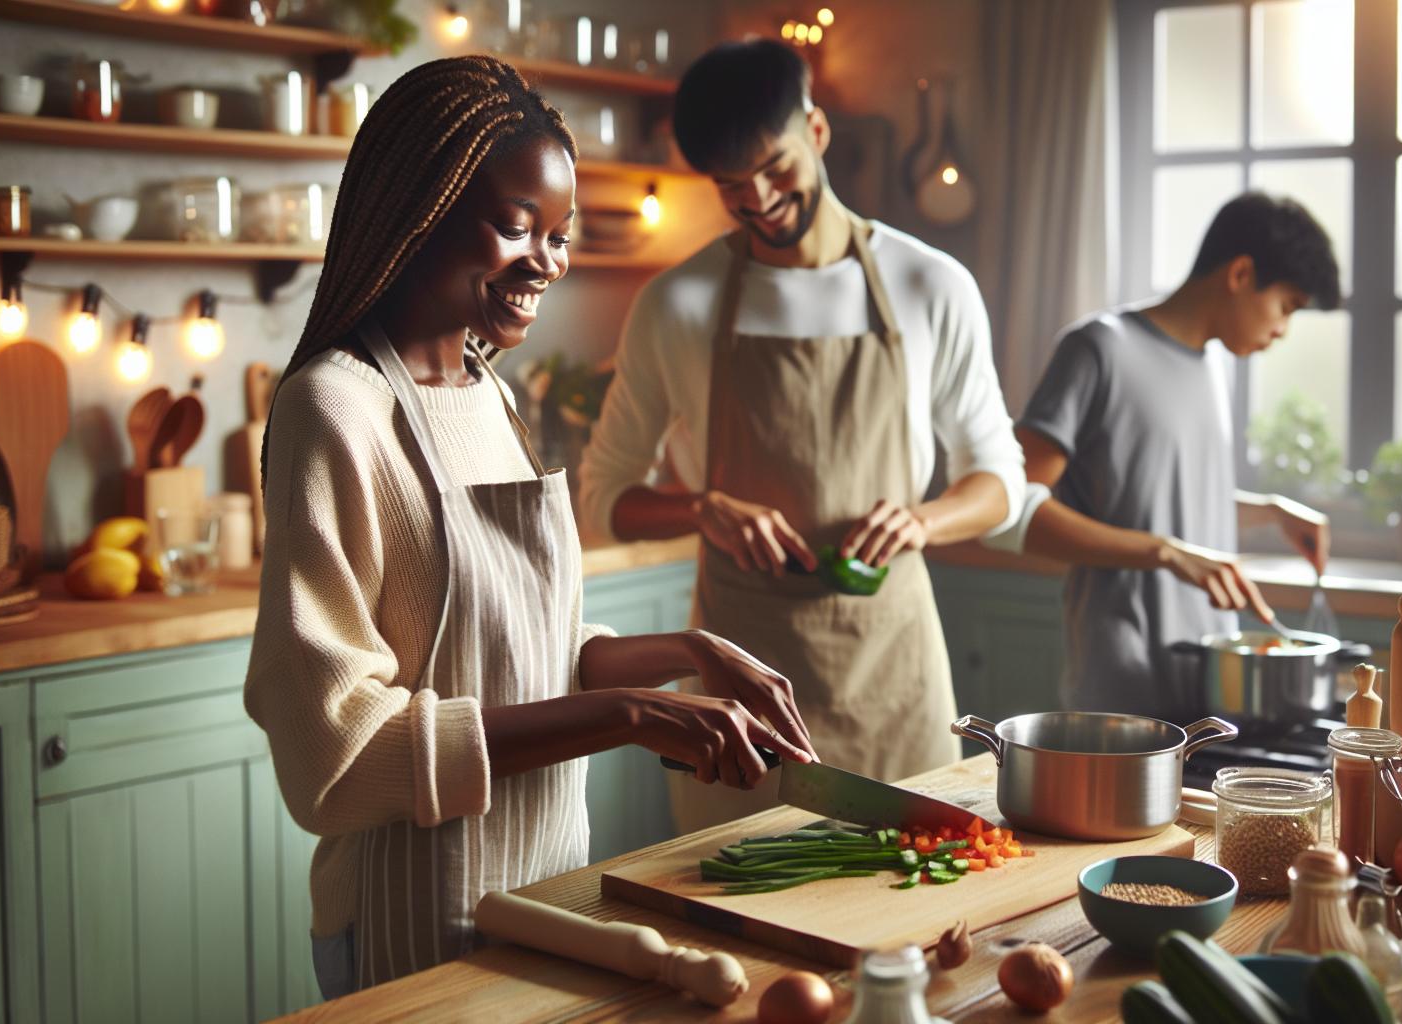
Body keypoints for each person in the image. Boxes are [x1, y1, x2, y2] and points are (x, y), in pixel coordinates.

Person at [244, 56, 817, 997]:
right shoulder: (333, 410)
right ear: (419, 211)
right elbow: (331, 756)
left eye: (561, 234)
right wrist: (630, 716)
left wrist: (685, 651)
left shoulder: (490, 395)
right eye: (519, 227)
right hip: (409, 919)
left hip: (550, 894)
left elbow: (522, 648)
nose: (549, 260)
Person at [580, 40, 1025, 832]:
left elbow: (999, 481)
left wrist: (923, 520)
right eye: (730, 187)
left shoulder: (932, 285)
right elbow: (602, 497)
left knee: (910, 916)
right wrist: (701, 508)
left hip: (894, 675)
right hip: (738, 696)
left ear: (816, 131)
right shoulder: (676, 304)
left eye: (775, 170)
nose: (758, 201)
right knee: (733, 921)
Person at [986, 192, 1340, 717]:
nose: (1283, 329)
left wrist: (1267, 512)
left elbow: (1159, 497)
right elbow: (1009, 507)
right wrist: (1164, 551)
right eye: (1286, 307)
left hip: (1210, 688)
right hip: (1120, 690)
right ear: (1241, 274)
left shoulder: (1214, 368)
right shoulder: (1098, 349)